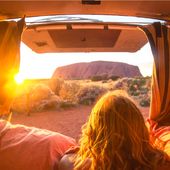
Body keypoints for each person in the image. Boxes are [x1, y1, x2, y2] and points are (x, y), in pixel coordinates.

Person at [59, 90, 170, 170]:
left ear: (95, 130)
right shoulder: (160, 164)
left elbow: (67, 160)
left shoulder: (70, 163)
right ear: (139, 127)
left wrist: (82, 151)